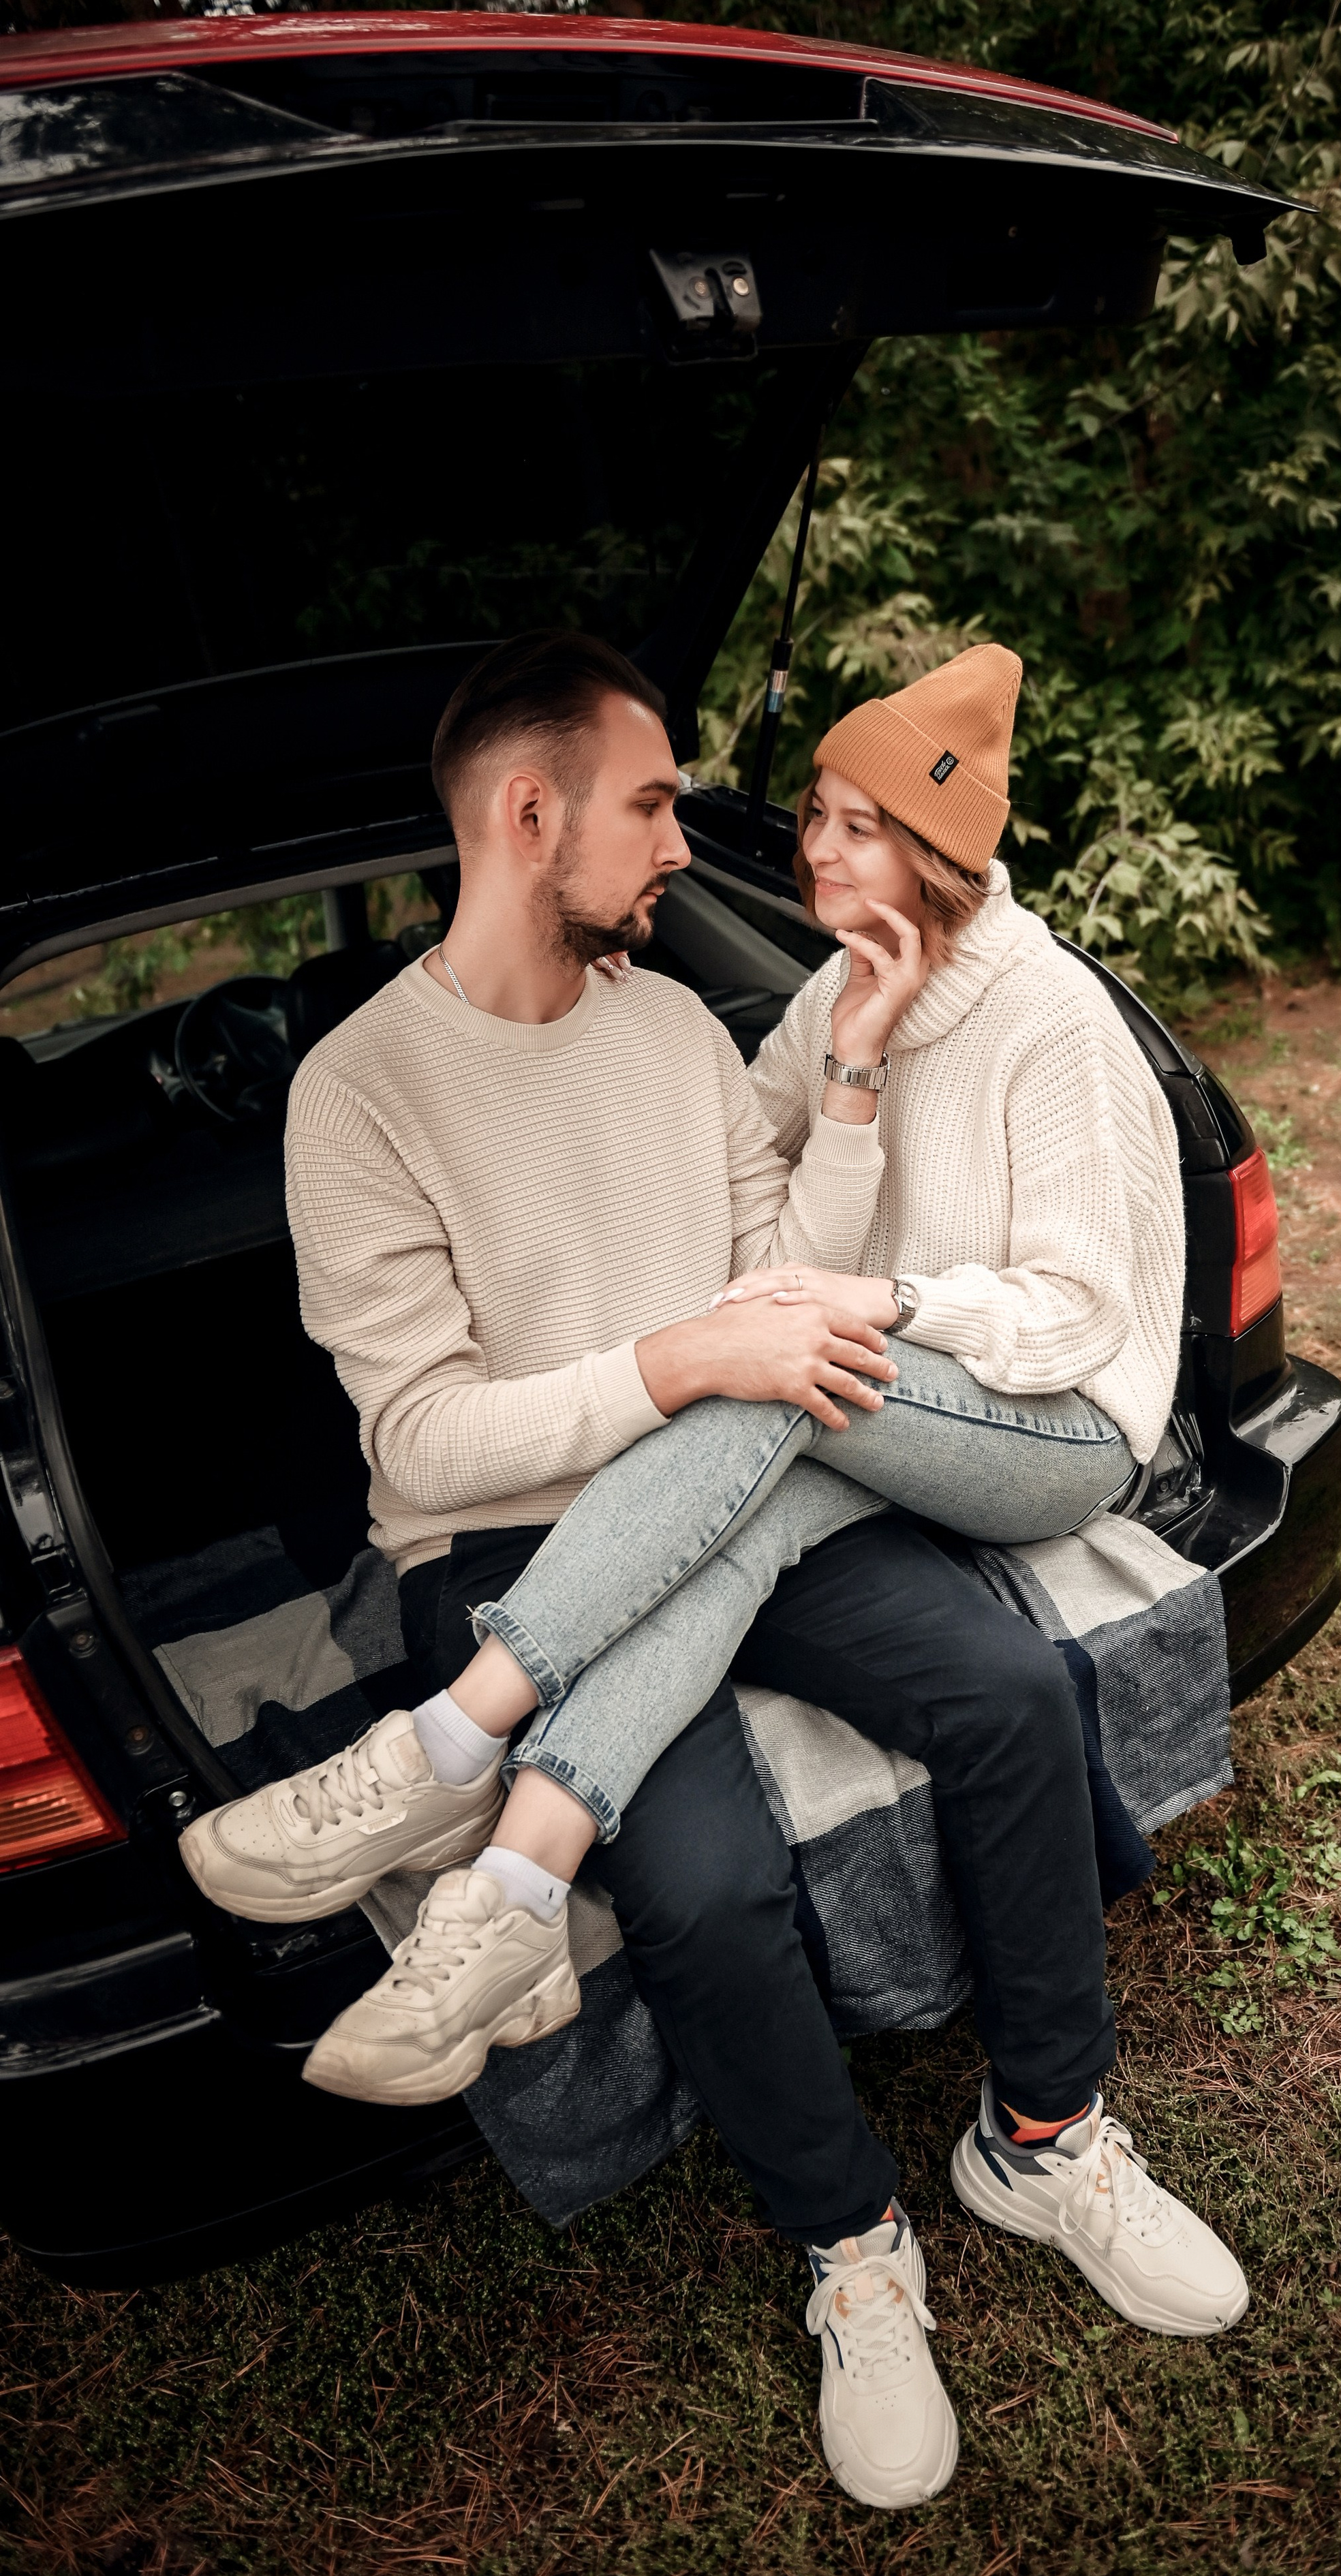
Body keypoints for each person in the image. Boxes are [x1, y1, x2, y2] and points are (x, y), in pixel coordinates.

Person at [179, 629, 1248, 2514]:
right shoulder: (354, 1091)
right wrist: (682, 1367)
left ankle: (1050, 2129)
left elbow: (780, 1286)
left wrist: (840, 1090)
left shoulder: (679, 1026)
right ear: (533, 815)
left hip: (750, 1467)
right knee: (702, 1872)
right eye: (661, 800)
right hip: (522, 1540)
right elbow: (420, 1444)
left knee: (1009, 1696)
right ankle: (852, 2243)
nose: (692, 841)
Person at [288, 641, 1187, 2064]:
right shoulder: (828, 998)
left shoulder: (1047, 1017)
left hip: (1052, 1415)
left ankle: (457, 1741)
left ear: (937, 857)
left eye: (851, 823)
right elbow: (768, 1240)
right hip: (852, 1414)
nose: (794, 849)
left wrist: (868, 1303)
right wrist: (842, 1087)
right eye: (813, 811)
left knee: (765, 1386)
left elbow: (1070, 1319)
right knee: (752, 1437)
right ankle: (517, 1881)